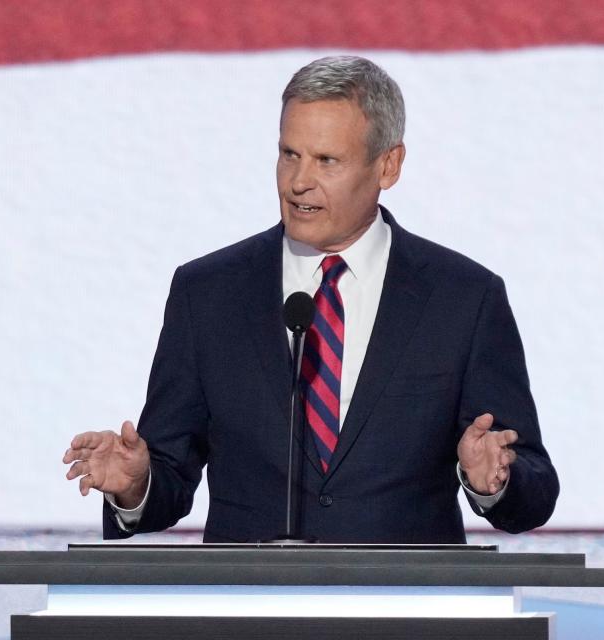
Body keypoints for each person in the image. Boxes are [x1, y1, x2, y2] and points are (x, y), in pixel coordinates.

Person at [63, 56, 558, 543]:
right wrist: (136, 485)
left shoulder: (463, 299)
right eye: (289, 154)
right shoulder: (208, 292)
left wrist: (495, 479)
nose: (299, 181)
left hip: (405, 612)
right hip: (254, 612)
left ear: (389, 165)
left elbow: (534, 489)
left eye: (327, 160)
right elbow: (171, 471)